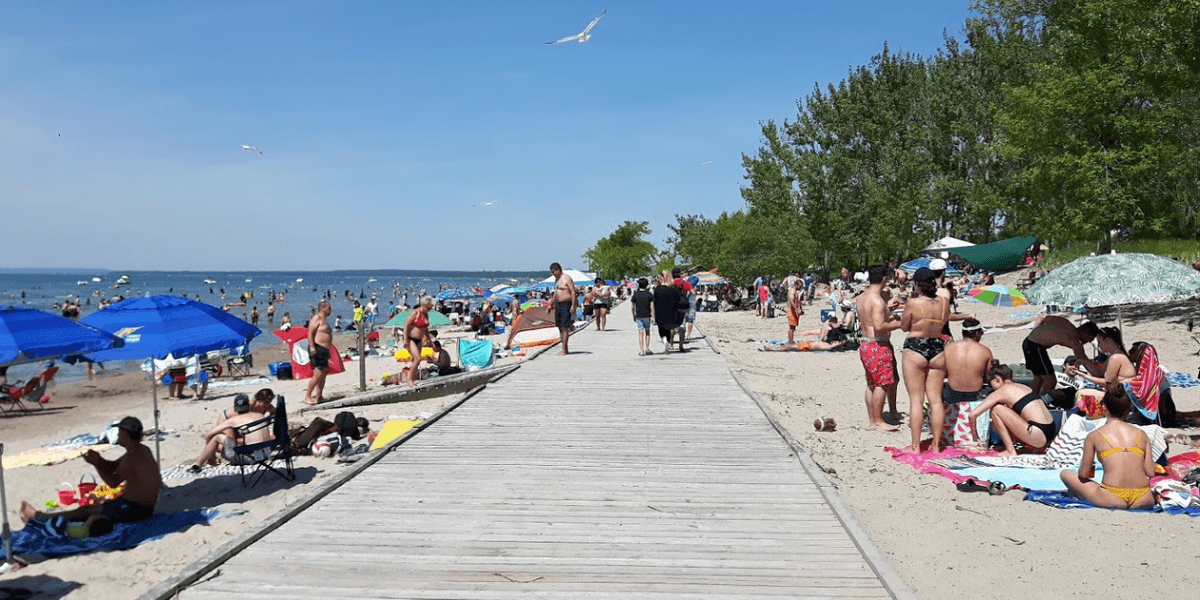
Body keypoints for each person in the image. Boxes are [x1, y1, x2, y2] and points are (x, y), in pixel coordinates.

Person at [20, 417, 162, 533]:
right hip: (140, 507)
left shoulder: (134, 457)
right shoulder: (141, 450)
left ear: (126, 433)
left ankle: (40, 517)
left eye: (119, 431)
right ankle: (43, 516)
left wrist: (95, 463)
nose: (117, 435)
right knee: (94, 506)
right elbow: (113, 466)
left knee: (85, 510)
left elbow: (112, 482)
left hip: (136, 510)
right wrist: (98, 459)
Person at [1060, 384, 1155, 508]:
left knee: (1065, 474)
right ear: (1127, 410)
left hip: (1112, 497)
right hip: (1143, 497)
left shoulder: (1094, 436)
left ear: (1104, 408)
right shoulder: (1141, 434)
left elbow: (1083, 475)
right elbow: (1150, 472)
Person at [900, 267, 950, 452]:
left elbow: (905, 327)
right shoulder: (945, 302)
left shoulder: (913, 303)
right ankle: (936, 446)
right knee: (935, 400)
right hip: (937, 347)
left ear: (917, 284)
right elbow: (943, 323)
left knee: (916, 400)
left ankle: (915, 446)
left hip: (915, 347)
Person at [968, 362, 1058, 456]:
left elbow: (972, 415)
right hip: (1050, 433)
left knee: (996, 409)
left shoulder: (1002, 390)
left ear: (997, 379)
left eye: (991, 384)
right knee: (1006, 411)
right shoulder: (1024, 387)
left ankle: (1010, 450)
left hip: (1037, 434)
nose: (992, 388)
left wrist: (976, 439)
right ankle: (1032, 447)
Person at [855, 265, 903, 432]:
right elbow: (879, 325)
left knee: (871, 384)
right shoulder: (877, 300)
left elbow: (871, 317)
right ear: (884, 279)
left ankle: (873, 419)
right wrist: (900, 324)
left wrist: (888, 309)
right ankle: (878, 421)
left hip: (865, 343)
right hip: (877, 344)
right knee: (882, 384)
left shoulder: (861, 297)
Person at [1024, 316, 1100, 394]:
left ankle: (1030, 400)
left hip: (1028, 342)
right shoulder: (1074, 341)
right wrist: (1099, 375)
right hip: (1035, 347)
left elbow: (1042, 317)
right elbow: (1084, 360)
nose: (1088, 342)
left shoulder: (1065, 322)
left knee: (1039, 378)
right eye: (1090, 339)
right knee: (1051, 381)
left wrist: (1035, 331)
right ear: (1085, 332)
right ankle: (1042, 402)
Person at [188, 403, 272, 472]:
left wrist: (212, 455)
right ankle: (209, 458)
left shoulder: (233, 420)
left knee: (217, 437)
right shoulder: (260, 415)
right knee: (220, 445)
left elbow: (208, 435)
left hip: (251, 458)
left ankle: (199, 463)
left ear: (235, 409)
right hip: (266, 454)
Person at [1067, 326, 1137, 405]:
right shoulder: (1115, 355)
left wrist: (1085, 376)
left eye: (1099, 342)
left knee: (1080, 394)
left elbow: (1106, 382)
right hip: (1121, 394)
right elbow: (1098, 372)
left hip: (1122, 398)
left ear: (1107, 341)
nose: (1098, 346)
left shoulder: (1116, 357)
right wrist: (1084, 362)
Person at [304, 300, 333, 405]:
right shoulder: (317, 318)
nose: (330, 310)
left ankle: (319, 396)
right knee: (317, 374)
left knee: (323, 375)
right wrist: (312, 346)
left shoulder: (325, 320)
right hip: (317, 348)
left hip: (324, 350)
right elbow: (310, 333)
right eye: (328, 308)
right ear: (322, 308)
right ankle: (307, 396)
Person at [403, 297, 434, 386]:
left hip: (419, 339)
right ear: (423, 305)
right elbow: (406, 326)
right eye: (428, 308)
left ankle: (412, 378)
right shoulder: (415, 313)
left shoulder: (426, 314)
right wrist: (405, 339)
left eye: (430, 308)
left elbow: (425, 328)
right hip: (410, 338)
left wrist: (429, 339)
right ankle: (409, 380)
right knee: (417, 359)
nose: (429, 310)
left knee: (415, 360)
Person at [652, 271, 683, 354]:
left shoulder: (657, 289)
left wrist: (653, 316)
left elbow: (654, 302)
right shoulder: (674, 289)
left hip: (660, 312)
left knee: (661, 329)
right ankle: (669, 342)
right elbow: (678, 301)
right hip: (672, 312)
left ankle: (665, 341)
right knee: (669, 328)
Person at [550, 263, 577, 355]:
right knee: (560, 327)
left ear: (558, 269)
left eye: (554, 271)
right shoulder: (556, 280)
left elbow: (573, 292)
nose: (553, 273)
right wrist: (550, 304)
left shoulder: (566, 278)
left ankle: (564, 349)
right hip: (558, 304)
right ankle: (564, 347)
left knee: (565, 327)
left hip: (566, 304)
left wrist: (573, 305)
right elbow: (555, 293)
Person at [630, 277, 655, 356]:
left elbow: (632, 306)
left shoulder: (636, 295)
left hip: (639, 315)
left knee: (640, 333)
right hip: (647, 315)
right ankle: (647, 348)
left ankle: (641, 350)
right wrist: (653, 317)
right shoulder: (649, 294)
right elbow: (652, 306)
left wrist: (633, 315)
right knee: (647, 332)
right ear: (646, 285)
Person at [786, 279, 804, 344]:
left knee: (794, 327)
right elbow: (791, 301)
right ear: (796, 285)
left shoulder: (796, 292)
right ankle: (790, 341)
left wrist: (799, 308)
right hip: (791, 311)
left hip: (795, 311)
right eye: (800, 286)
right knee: (791, 327)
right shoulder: (792, 292)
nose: (801, 287)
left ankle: (792, 340)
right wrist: (796, 309)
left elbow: (798, 301)